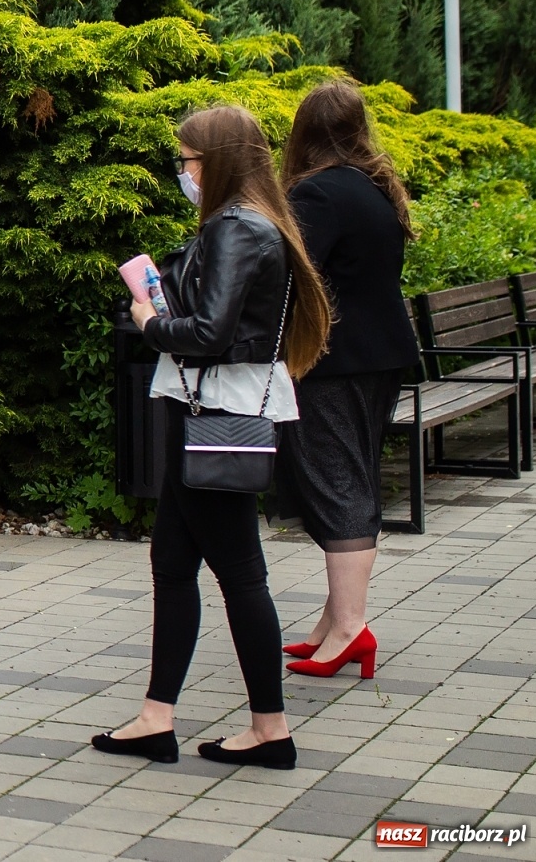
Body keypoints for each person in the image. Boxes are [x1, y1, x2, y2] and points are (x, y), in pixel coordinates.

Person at [91, 105, 331, 770]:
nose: (182, 172)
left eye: (187, 160)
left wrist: (148, 319)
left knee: (240, 574)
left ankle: (270, 729)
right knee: (173, 563)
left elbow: (209, 335)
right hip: (205, 408)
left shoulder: (238, 228)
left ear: (217, 161)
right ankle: (156, 717)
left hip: (211, 413)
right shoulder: (249, 225)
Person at [273, 82, 418, 679]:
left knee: (336, 483)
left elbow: (293, 274)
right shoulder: (377, 189)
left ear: (302, 131)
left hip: (333, 361)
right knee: (351, 476)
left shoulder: (317, 194)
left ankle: (351, 628)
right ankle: (335, 621)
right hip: (381, 353)